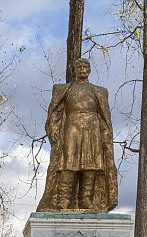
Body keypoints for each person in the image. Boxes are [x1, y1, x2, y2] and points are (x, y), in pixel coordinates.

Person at [37, 58, 118, 212]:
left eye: (85, 67)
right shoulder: (64, 89)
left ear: (89, 70)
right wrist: (54, 130)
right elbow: (55, 113)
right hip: (71, 128)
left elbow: (104, 117)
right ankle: (63, 199)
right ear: (74, 70)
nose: (82, 69)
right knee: (67, 164)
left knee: (91, 165)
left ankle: (86, 200)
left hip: (92, 129)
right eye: (79, 67)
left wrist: (106, 137)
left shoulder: (99, 91)